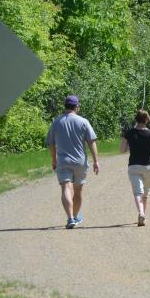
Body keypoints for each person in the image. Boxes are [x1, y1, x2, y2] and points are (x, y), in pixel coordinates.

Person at [46, 95, 99, 229]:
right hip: (79, 162)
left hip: (63, 161)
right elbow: (91, 142)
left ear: (65, 106)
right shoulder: (83, 122)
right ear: (76, 106)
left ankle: (70, 218)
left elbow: (51, 144)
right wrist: (96, 161)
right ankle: (74, 217)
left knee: (65, 188)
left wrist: (54, 160)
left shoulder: (56, 122)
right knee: (78, 189)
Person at [120, 109, 150, 226]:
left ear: (136, 119)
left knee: (137, 191)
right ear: (146, 120)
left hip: (134, 166)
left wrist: (131, 147)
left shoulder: (128, 133)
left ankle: (141, 213)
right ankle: (143, 213)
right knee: (145, 192)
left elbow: (121, 150)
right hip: (148, 166)